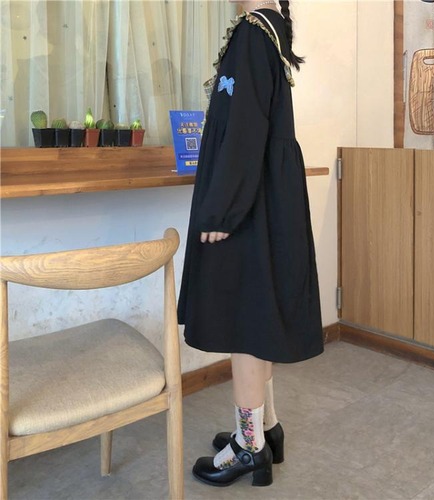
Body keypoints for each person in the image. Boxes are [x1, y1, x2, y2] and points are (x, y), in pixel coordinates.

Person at [178, 0, 324, 487]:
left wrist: (222, 209)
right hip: (264, 198)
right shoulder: (270, 31)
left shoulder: (251, 34)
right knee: (257, 320)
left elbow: (243, 131)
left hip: (247, 206)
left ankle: (248, 447)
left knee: (243, 324)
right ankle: (266, 428)